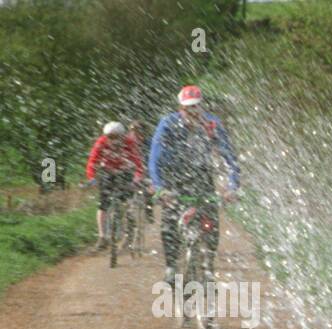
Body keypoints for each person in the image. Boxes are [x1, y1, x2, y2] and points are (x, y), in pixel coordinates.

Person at [148, 85, 241, 284]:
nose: (192, 112)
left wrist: (232, 187)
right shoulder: (168, 124)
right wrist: (158, 186)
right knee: (170, 220)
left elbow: (229, 156)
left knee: (210, 219)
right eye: (187, 108)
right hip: (173, 177)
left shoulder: (212, 124)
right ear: (180, 108)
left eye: (196, 107)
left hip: (202, 176)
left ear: (201, 106)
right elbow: (155, 157)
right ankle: (171, 267)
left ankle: (208, 266)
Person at [85, 121, 145, 250]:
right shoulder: (101, 142)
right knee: (103, 204)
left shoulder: (129, 143)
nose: (113, 140)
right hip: (108, 171)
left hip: (125, 172)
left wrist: (137, 178)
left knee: (127, 202)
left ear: (122, 136)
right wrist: (92, 178)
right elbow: (92, 161)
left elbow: (138, 162)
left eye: (116, 137)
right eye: (110, 137)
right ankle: (102, 237)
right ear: (106, 136)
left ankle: (128, 233)